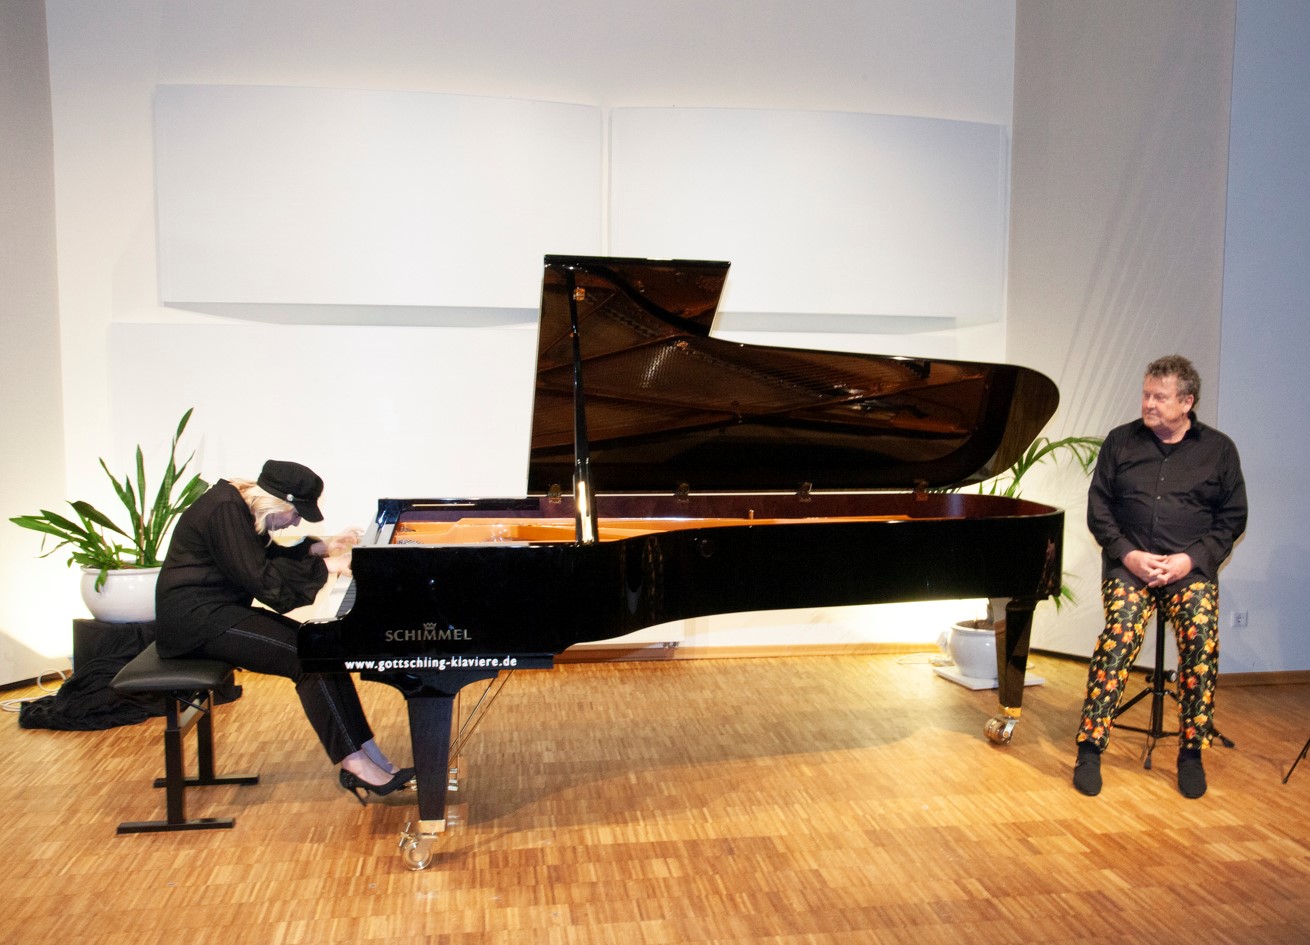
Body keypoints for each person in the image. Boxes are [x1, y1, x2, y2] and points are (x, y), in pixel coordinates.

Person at [155, 459, 414, 802]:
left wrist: (322, 547)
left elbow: (263, 556)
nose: (295, 521)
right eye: (295, 513)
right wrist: (328, 566)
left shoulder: (235, 505)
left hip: (216, 612)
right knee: (306, 658)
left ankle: (369, 753)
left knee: (322, 647)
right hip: (195, 623)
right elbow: (266, 583)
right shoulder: (224, 510)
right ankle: (354, 764)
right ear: (277, 500)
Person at [1074, 355, 1247, 799]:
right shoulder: (1121, 441)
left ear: (1187, 402)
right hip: (1130, 565)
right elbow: (1099, 508)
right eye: (1146, 394)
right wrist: (1128, 555)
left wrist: (1190, 560)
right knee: (1120, 633)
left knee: (1201, 640)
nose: (1148, 404)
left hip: (1188, 570)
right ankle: (1090, 748)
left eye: (1160, 397)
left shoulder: (1219, 450)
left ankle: (1191, 752)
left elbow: (1231, 519)